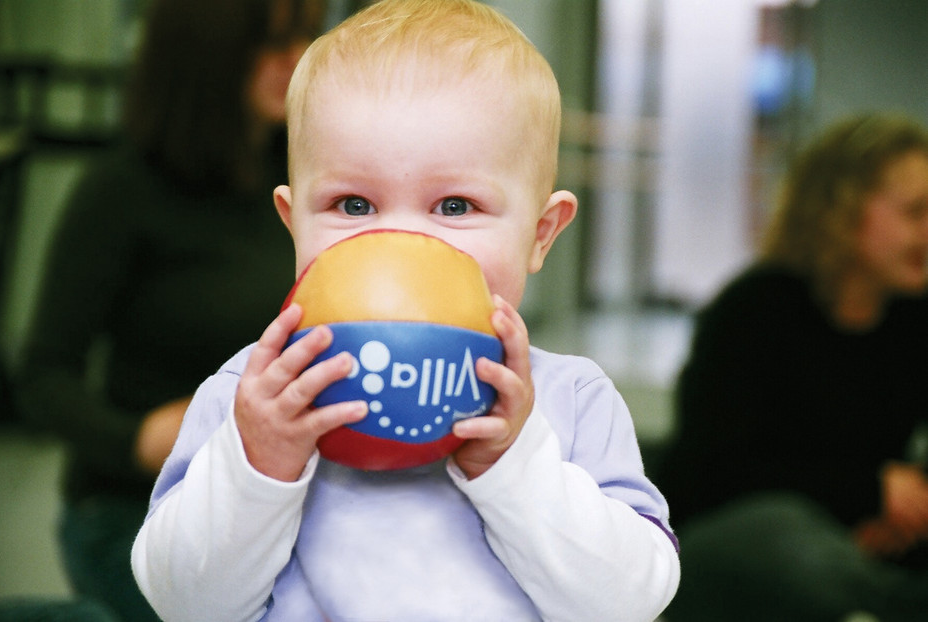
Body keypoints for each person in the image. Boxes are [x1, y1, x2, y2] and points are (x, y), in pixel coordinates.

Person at [131, 1, 681, 620]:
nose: (396, 243)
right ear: (294, 224)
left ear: (540, 234)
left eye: (453, 206)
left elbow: (632, 601)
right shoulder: (252, 399)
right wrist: (259, 466)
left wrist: (517, 463)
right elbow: (182, 603)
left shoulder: (572, 401)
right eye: (354, 204)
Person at [13, 0, 325, 620]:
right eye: (274, 45)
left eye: (305, 40)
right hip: (137, 506)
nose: (297, 62)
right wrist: (136, 439)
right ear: (208, 59)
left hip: (269, 494)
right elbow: (42, 374)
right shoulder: (121, 190)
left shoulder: (302, 177)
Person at [657, 113, 928, 622]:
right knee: (789, 541)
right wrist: (867, 493)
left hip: (862, 546)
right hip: (735, 540)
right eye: (916, 212)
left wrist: (908, 508)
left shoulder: (915, 320)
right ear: (842, 212)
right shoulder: (755, 310)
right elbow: (711, 473)